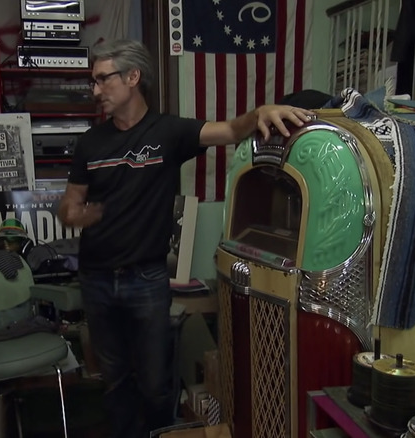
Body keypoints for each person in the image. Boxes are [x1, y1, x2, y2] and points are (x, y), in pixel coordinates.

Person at [56, 39, 314, 438]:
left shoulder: (168, 132)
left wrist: (261, 112)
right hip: (96, 280)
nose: (96, 91)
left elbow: (229, 130)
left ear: (132, 77)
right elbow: (69, 206)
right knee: (114, 380)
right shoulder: (91, 143)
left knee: (156, 382)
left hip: (146, 280)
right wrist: (77, 214)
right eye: (93, 82)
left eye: (102, 80)